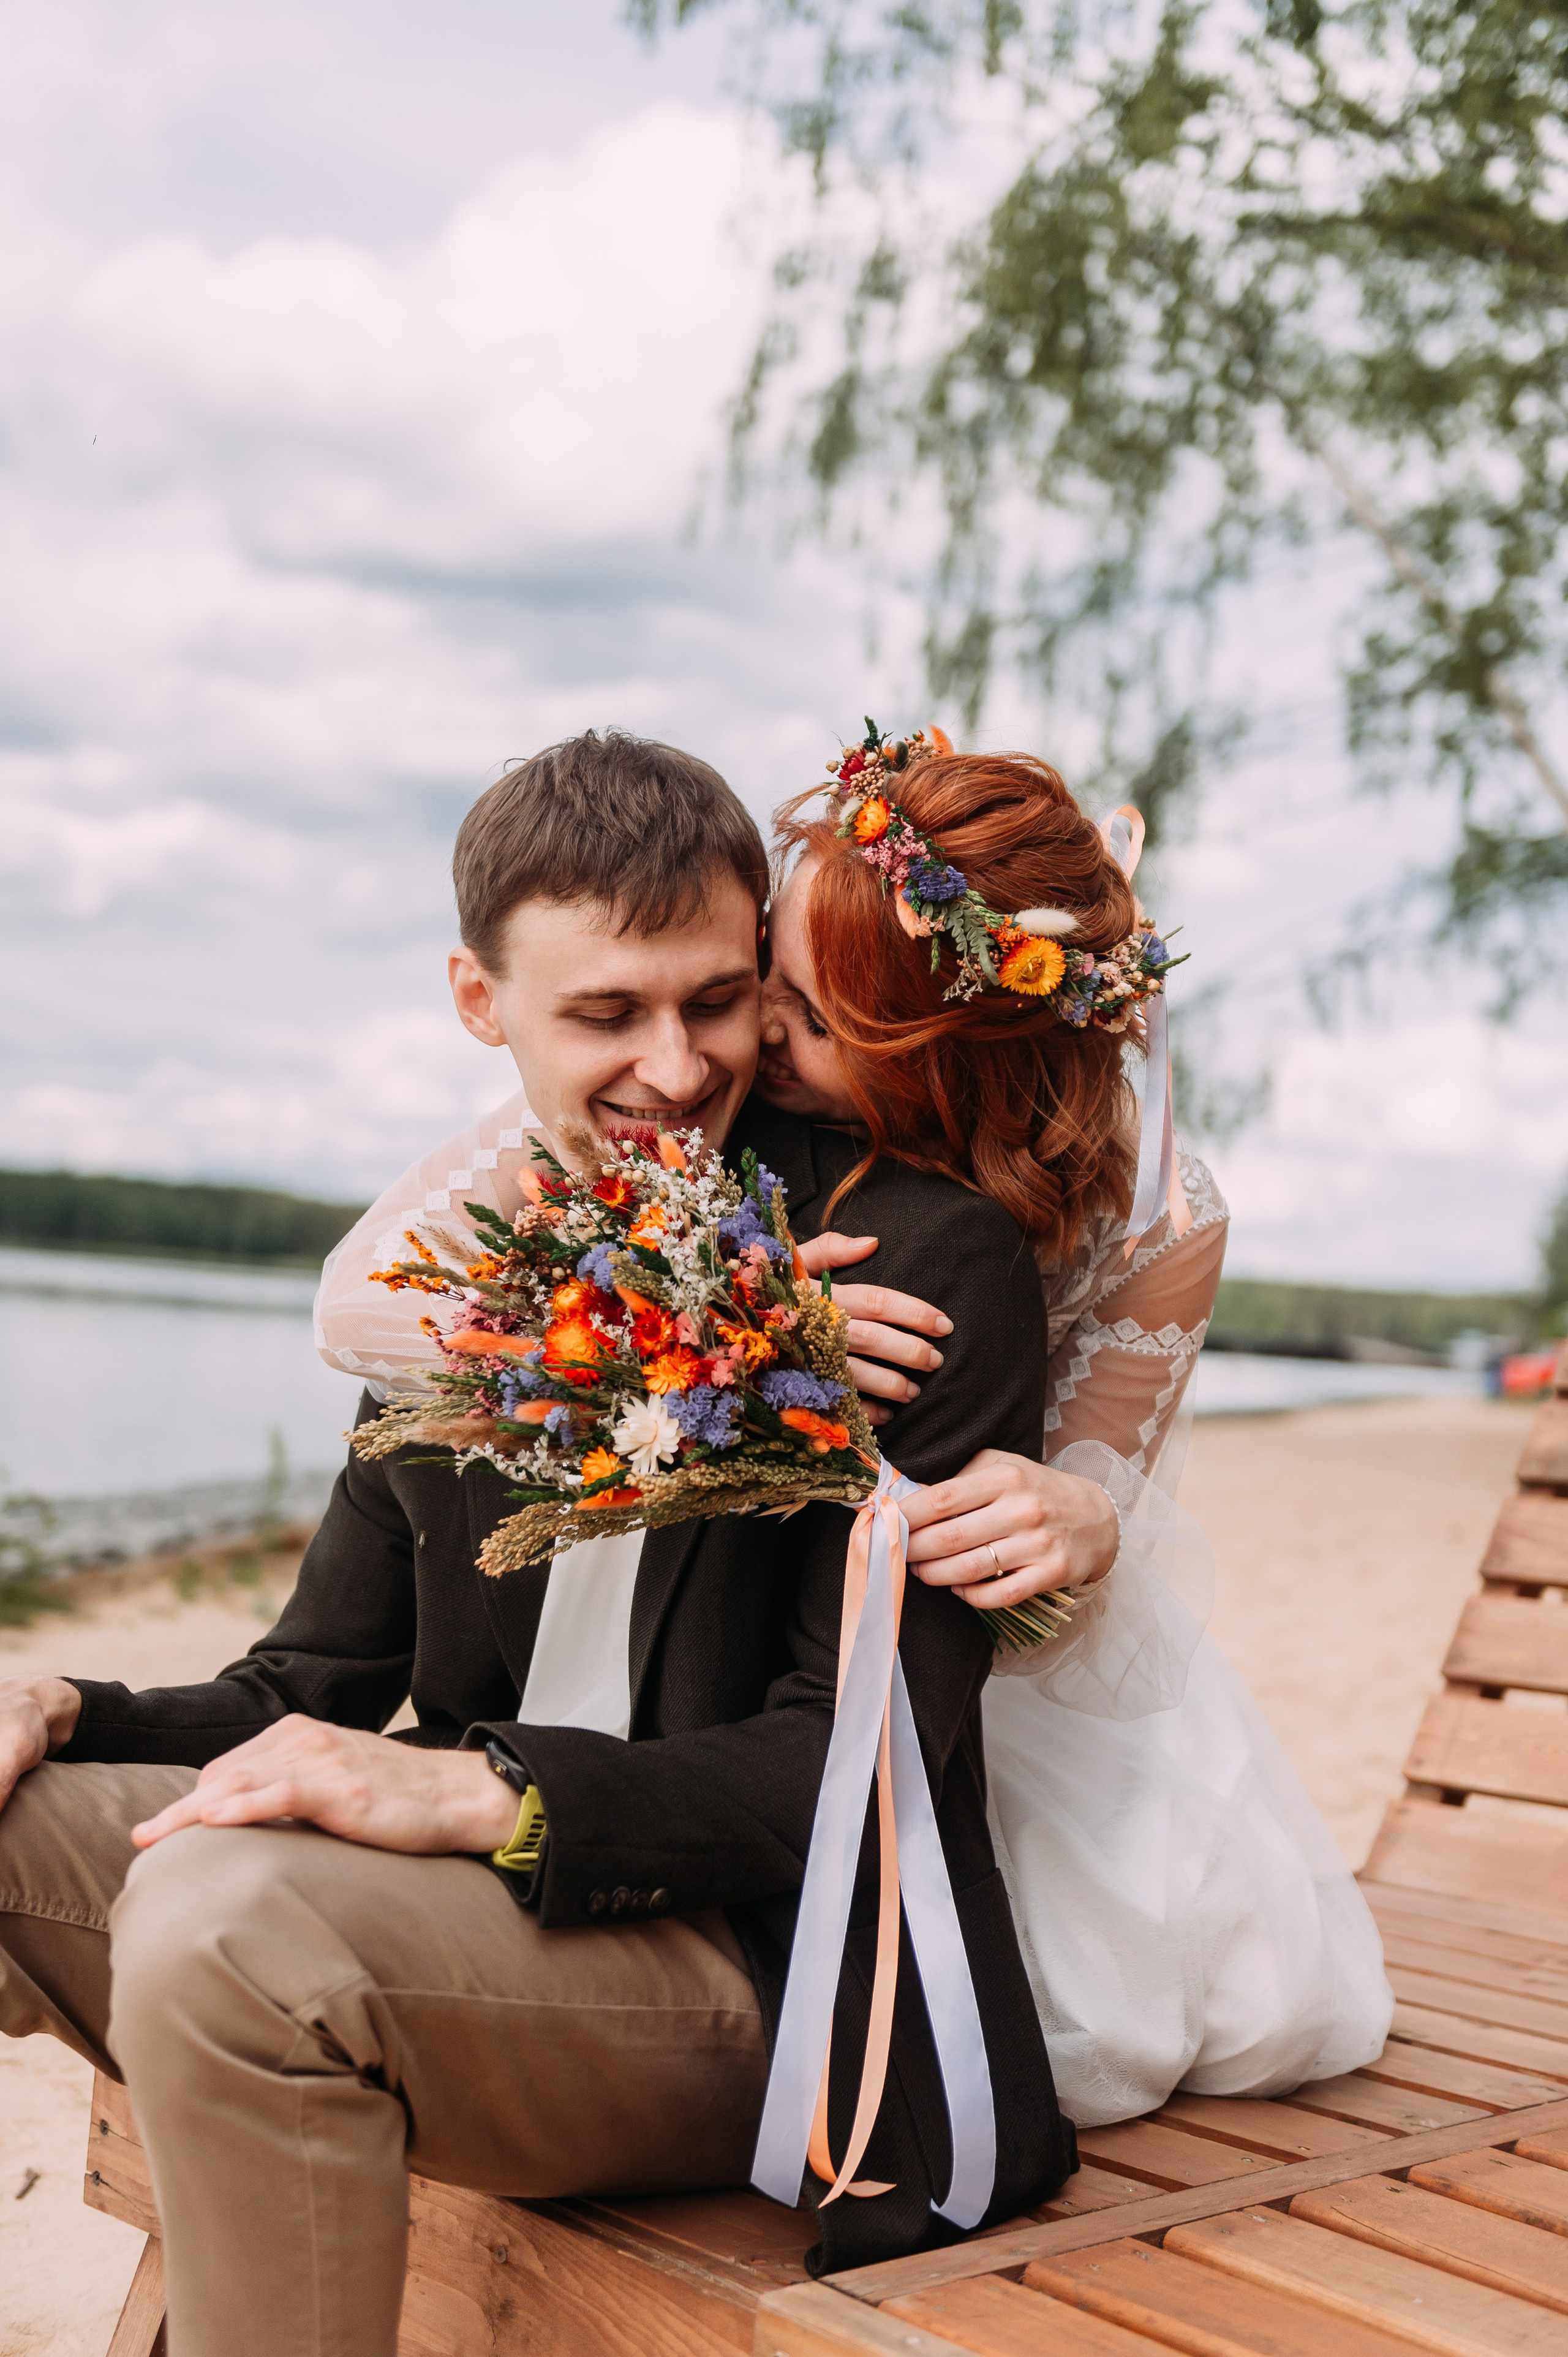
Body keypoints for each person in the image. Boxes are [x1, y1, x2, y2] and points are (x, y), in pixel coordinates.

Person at [0, 733, 1077, 2357]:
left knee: (226, 1926)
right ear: (477, 1001)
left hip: (759, 1982)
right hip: (475, 1930)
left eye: (717, 1000)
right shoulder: (454, 1273)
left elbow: (857, 1772)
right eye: (605, 1014)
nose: (676, 1066)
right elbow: (310, 1679)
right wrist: (68, 1706)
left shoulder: (924, 1267)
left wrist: (474, 1790)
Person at [328, 730, 1392, 2132]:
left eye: (804, 1020)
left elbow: (1048, 1585)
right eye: (764, 984)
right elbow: (356, 1307)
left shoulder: (1157, 1216)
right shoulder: (689, 1084)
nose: (743, 1041)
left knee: (1146, 1986)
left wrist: (1089, 1520)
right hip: (805, 1643)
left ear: (940, 1057)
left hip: (960, 1668)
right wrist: (731, 1327)